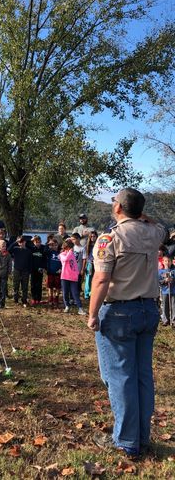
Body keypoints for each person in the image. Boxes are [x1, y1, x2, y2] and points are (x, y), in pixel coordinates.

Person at [88, 188, 167, 457]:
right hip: (148, 309)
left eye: (114, 201)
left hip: (120, 312)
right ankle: (141, 437)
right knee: (142, 375)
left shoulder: (110, 238)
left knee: (120, 377)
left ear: (119, 207)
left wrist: (91, 314)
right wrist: (140, 213)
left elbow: (100, 280)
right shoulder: (153, 233)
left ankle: (126, 440)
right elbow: (162, 228)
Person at [59, 239, 87, 315]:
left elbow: (74, 264)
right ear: (66, 247)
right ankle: (67, 306)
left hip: (73, 277)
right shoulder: (62, 254)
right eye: (69, 247)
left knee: (75, 293)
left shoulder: (72, 254)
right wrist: (70, 252)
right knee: (65, 293)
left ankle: (80, 308)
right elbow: (65, 260)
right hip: (65, 276)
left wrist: (77, 273)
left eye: (71, 247)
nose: (71, 249)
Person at [8, 236, 32, 306]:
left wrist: (29, 271)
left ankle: (24, 300)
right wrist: (15, 242)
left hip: (25, 271)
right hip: (17, 270)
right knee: (16, 285)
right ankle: (16, 299)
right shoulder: (16, 249)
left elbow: (30, 262)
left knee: (25, 286)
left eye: (22, 242)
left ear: (25, 242)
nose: (21, 243)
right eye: (19, 242)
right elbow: (9, 250)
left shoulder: (28, 251)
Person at [158, 255, 175, 327]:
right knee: (165, 305)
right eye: (166, 261)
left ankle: (173, 320)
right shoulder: (160, 271)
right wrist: (164, 281)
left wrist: (172, 279)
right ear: (163, 262)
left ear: (171, 262)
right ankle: (165, 320)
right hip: (164, 291)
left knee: (173, 305)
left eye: (169, 261)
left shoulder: (173, 271)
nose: (167, 262)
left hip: (173, 291)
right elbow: (159, 281)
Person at [44, 238, 61, 306]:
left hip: (58, 272)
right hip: (50, 271)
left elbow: (64, 262)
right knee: (49, 286)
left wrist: (61, 268)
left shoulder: (60, 252)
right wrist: (48, 243)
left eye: (56, 245)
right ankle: (50, 298)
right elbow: (44, 251)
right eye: (53, 245)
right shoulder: (49, 252)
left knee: (58, 286)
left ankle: (56, 298)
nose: (54, 246)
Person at [82, 231, 98, 300]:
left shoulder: (98, 245)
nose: (92, 238)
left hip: (97, 263)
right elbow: (85, 256)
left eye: (94, 236)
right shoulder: (87, 246)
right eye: (91, 236)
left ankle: (94, 293)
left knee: (96, 279)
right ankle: (87, 294)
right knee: (88, 279)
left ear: (96, 237)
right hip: (90, 264)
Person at [30, 235, 45, 305]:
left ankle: (38, 299)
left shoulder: (43, 248)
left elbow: (44, 259)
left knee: (39, 285)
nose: (38, 243)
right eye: (36, 242)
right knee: (33, 285)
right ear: (34, 242)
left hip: (40, 270)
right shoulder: (31, 248)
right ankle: (33, 298)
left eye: (39, 242)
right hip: (33, 270)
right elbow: (26, 243)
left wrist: (42, 267)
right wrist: (31, 239)